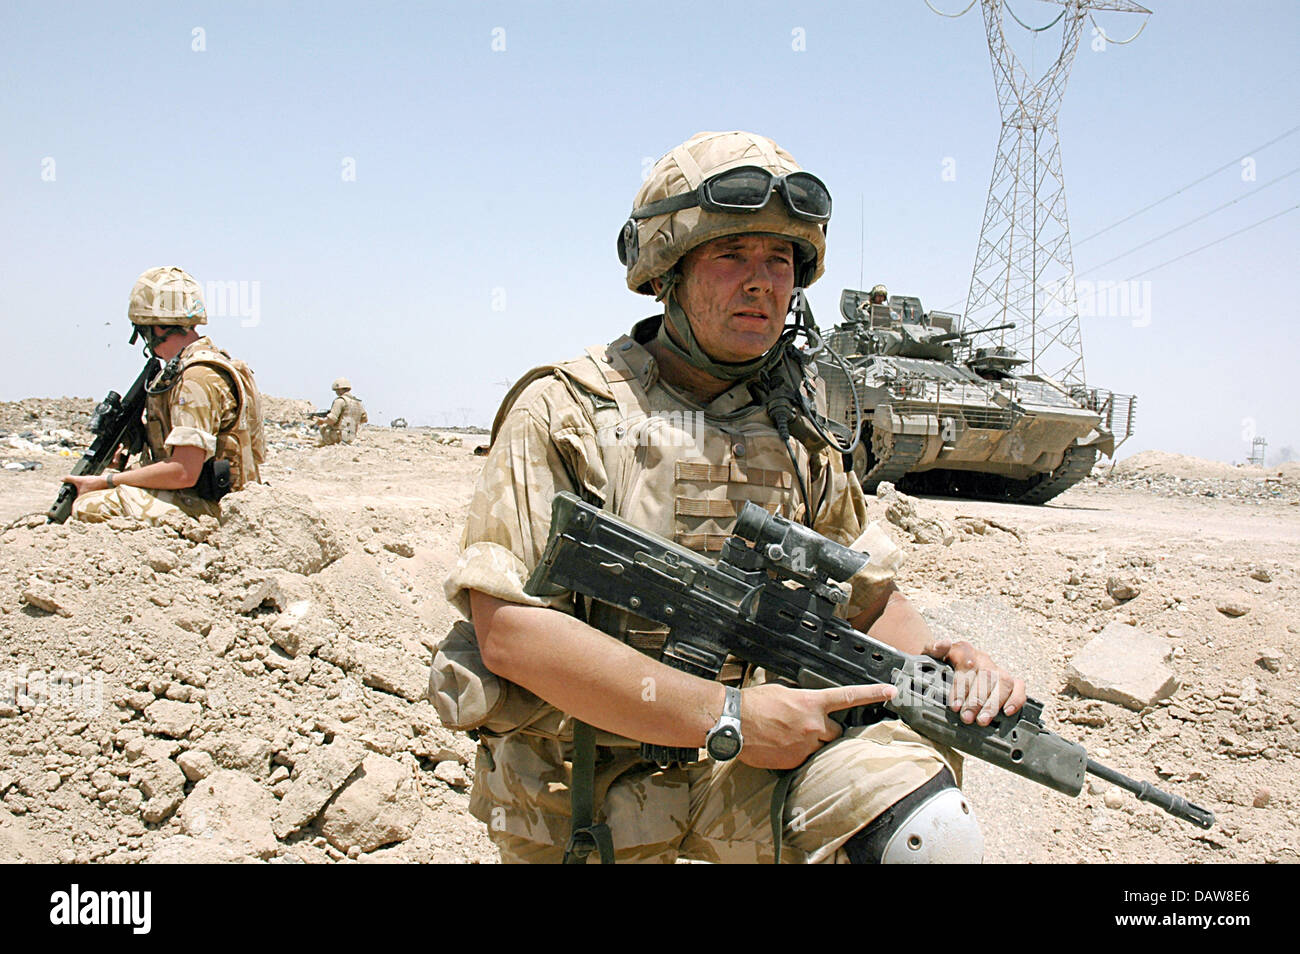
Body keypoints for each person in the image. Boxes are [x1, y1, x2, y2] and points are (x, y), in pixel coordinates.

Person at [436, 131, 1025, 864]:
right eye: (732, 255)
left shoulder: (799, 426)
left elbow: (868, 598)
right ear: (666, 273)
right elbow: (510, 633)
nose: (763, 282)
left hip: (747, 774)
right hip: (585, 785)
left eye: (780, 259)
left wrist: (944, 658)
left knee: (926, 833)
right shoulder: (567, 410)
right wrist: (729, 714)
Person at [64, 266, 265, 524]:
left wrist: (106, 480)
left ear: (154, 327)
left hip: (215, 507)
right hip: (209, 495)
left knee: (89, 505)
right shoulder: (188, 369)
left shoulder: (196, 377)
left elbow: (183, 472)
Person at [315, 378, 368, 445]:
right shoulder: (358, 403)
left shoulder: (340, 401)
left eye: (336, 390)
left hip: (338, 436)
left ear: (340, 389)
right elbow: (364, 420)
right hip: (351, 437)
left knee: (322, 427)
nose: (336, 392)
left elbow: (332, 419)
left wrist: (321, 421)